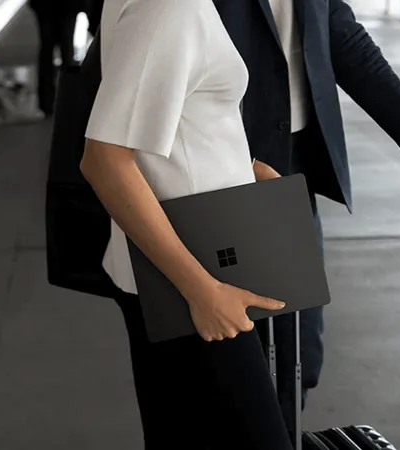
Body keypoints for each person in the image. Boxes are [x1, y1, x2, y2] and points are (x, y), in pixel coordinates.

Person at [209, 0, 400, 440]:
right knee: (228, 346)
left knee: (297, 346)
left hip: (293, 164)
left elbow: (342, 37)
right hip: (219, 164)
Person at [80, 0, 298, 447]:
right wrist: (203, 291)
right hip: (193, 278)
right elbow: (104, 161)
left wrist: (244, 165)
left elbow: (167, 117)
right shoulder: (170, 7)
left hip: (184, 265)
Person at [28, 0, 81, 116]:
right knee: (67, 52)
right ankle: (69, 101)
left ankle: (47, 103)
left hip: (47, 6)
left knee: (47, 53)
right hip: (66, 6)